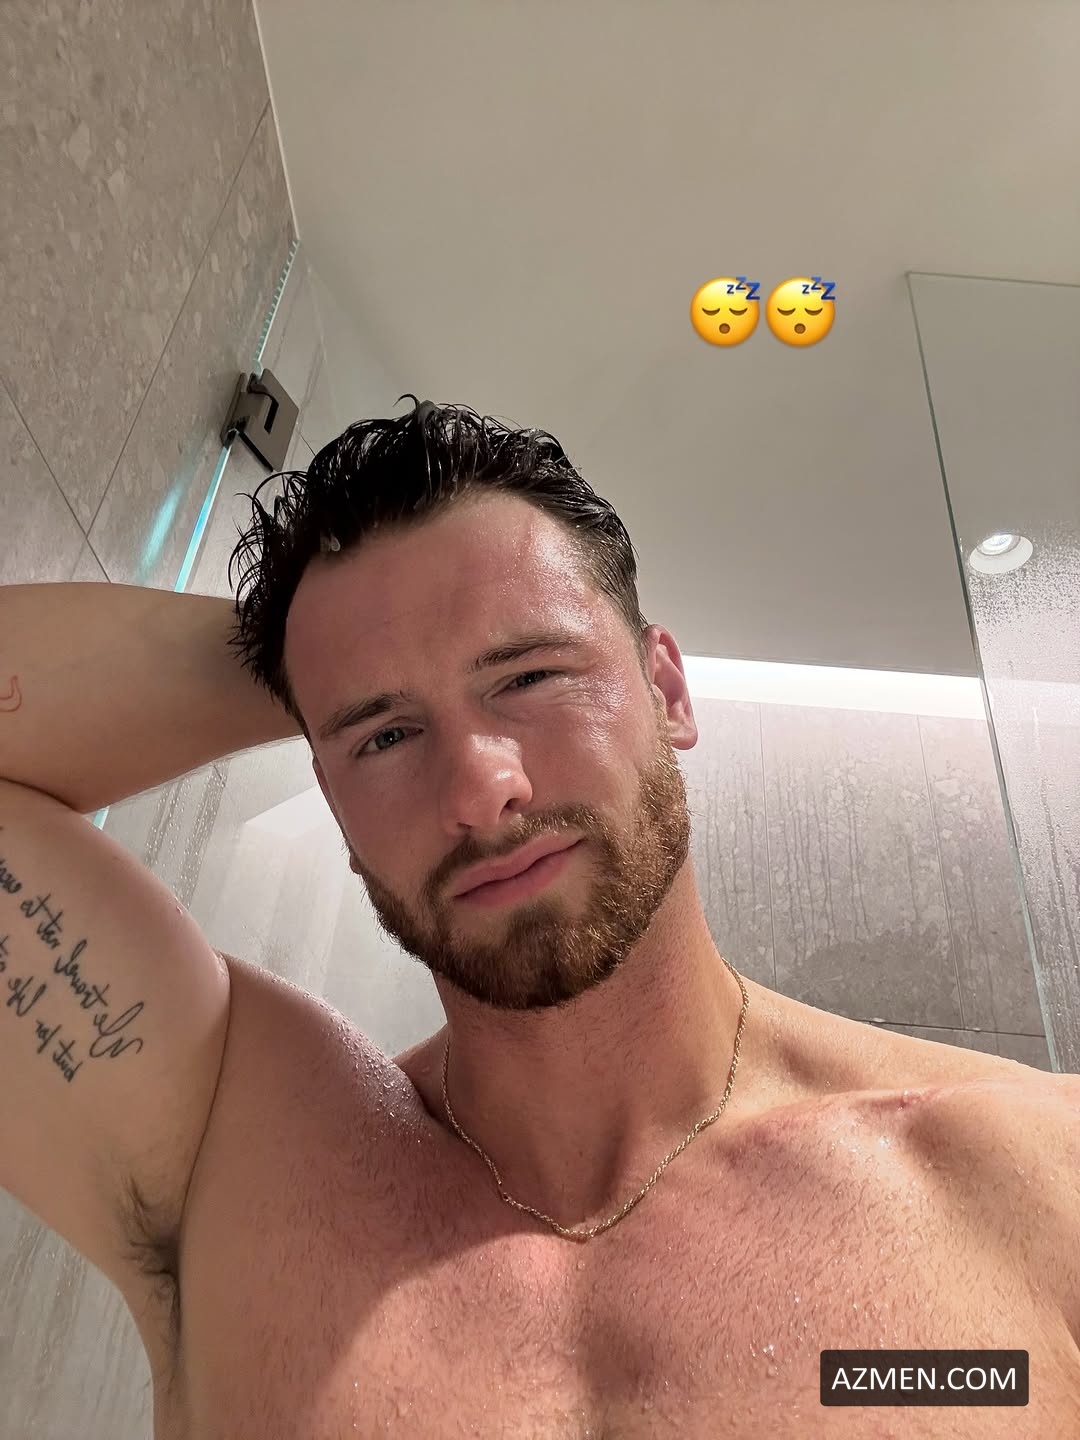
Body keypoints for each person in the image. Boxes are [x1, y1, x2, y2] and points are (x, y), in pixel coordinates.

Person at [1, 399, 1077, 1438]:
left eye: (529, 675)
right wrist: (306, 660)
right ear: (331, 798)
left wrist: (354, 671)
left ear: (668, 692)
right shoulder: (236, 1167)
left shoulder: (1035, 1174)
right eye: (384, 737)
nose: (481, 788)